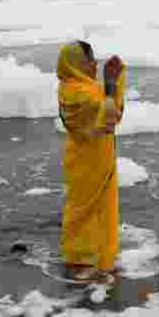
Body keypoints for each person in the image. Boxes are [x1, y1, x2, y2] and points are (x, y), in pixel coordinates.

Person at [56, 40, 127, 284]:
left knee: (102, 209)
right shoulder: (75, 92)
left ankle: (100, 259)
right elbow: (107, 116)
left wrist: (113, 82)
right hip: (86, 161)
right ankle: (77, 261)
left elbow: (113, 112)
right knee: (84, 209)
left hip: (99, 156)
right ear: (76, 64)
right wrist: (110, 82)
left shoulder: (85, 87)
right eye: (90, 60)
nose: (95, 64)